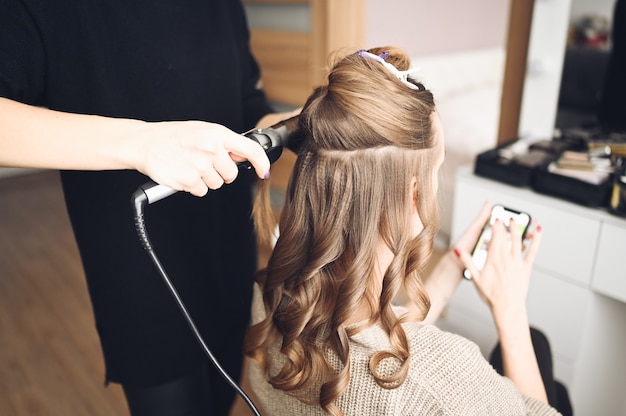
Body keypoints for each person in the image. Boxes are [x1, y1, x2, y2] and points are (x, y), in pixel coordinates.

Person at [0, 1, 297, 414]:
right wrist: (141, 143)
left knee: (222, 390)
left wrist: (294, 123)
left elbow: (245, 105)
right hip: (140, 271)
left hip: (225, 251)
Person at [242, 46, 570, 415]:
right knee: (538, 352)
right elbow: (397, 371)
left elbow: (369, 347)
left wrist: (448, 272)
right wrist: (510, 313)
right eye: (436, 170)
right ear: (413, 192)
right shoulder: (446, 378)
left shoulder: (266, 301)